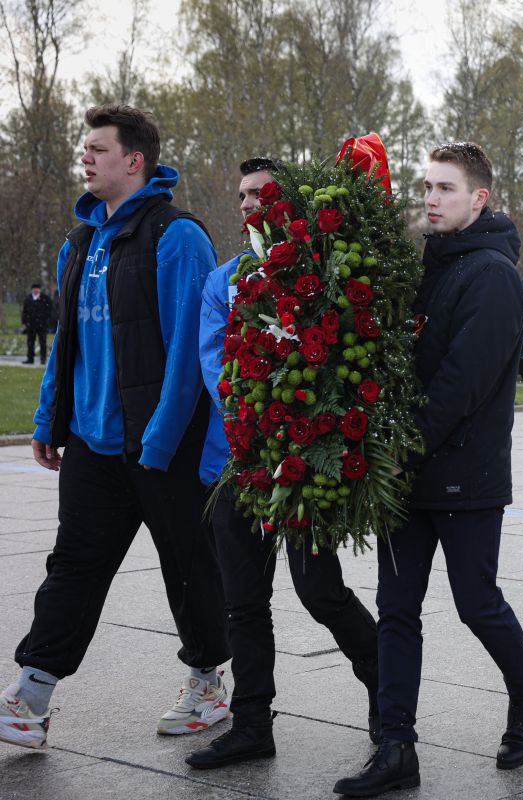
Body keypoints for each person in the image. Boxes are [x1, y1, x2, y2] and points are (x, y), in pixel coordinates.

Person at [1, 104, 229, 750]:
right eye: (86, 148)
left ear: (135, 161)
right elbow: (69, 342)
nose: (86, 157)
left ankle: (207, 683)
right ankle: (32, 696)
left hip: (164, 444)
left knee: (189, 566)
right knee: (73, 565)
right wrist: (50, 419)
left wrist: (160, 441)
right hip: (94, 443)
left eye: (98, 149)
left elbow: (192, 349)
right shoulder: (79, 240)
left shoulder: (177, 237)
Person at [334, 143, 523, 797]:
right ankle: (396, 747)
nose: (430, 198)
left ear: (479, 198)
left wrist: (399, 447)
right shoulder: (427, 266)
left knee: (477, 603)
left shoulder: (492, 275)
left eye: (445, 188)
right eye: (426, 187)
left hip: (464, 475)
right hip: (405, 472)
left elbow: (463, 382)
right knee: (397, 609)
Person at [183, 158, 381, 770]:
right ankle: (251, 725)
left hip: (303, 468)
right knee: (243, 604)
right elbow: (218, 368)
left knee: (320, 594)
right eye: (240, 194)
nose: (246, 203)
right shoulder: (225, 279)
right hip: (238, 466)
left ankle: (389, 692)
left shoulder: (317, 273)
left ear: (285, 204)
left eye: (259, 194)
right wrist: (264, 408)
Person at [21, 283, 53, 365]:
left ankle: (43, 359)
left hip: (42, 325)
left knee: (43, 342)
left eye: (37, 288)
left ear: (40, 289)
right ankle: (30, 358)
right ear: (32, 290)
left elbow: (50, 310)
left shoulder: (45, 298)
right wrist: (24, 322)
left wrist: (47, 321)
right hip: (31, 325)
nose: (36, 290)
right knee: (30, 342)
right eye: (34, 288)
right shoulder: (28, 299)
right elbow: (24, 311)